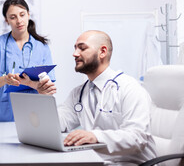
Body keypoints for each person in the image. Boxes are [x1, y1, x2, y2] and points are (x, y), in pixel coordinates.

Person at [58, 30, 156, 165]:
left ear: (102, 52)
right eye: (75, 48)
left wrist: (95, 136)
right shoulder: (79, 93)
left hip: (132, 163)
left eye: (82, 48)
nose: (75, 54)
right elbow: (60, 121)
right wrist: (43, 95)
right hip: (98, 161)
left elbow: (137, 138)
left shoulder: (130, 88)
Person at [0, 0, 56, 122]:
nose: (19, 21)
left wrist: (32, 83)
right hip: (3, 115)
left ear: (28, 15)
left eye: (22, 15)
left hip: (34, 113)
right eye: (13, 17)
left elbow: (48, 86)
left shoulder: (42, 47)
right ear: (7, 20)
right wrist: (5, 79)